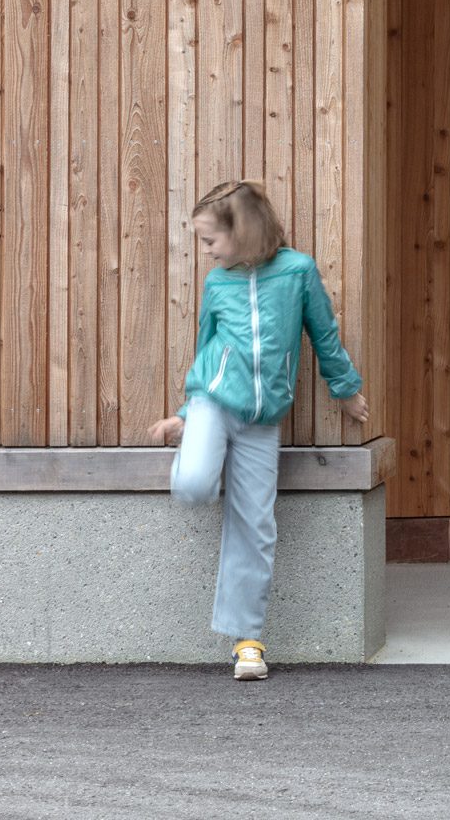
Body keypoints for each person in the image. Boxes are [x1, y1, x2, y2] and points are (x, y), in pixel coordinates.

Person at [149, 179, 369, 681]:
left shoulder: (296, 272)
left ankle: (247, 642)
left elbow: (324, 334)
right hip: (211, 404)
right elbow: (206, 344)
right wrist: (185, 413)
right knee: (193, 485)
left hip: (261, 421)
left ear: (241, 232)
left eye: (210, 241)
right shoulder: (217, 283)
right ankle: (197, 443)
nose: (206, 252)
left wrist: (345, 388)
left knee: (256, 525)